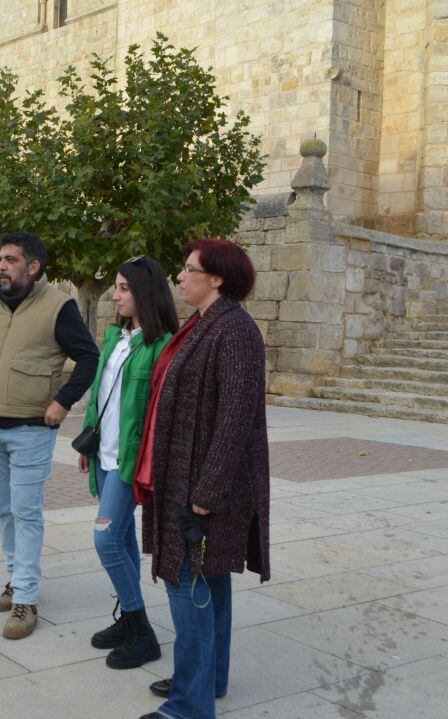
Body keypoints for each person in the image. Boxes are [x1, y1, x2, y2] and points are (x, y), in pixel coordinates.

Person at [135, 238, 270, 719]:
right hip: (185, 479)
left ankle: (189, 706)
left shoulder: (233, 332)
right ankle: (206, 679)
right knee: (207, 583)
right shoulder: (202, 325)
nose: (181, 277)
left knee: (186, 584)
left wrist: (204, 496)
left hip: (201, 490)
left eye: (190, 269)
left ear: (217, 278)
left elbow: (235, 420)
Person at [0, 232, 99, 640]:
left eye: (10, 259)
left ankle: (26, 598)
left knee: (25, 512)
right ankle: (15, 578)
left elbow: (90, 357)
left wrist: (62, 403)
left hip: (30, 431)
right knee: (3, 511)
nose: (1, 266)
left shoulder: (59, 305)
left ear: (33, 266)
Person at [77, 256, 178, 669]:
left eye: (123, 288)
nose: (115, 295)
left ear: (145, 293)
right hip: (103, 452)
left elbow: (156, 413)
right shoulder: (117, 338)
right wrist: (88, 441)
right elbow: (101, 394)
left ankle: (141, 630)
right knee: (122, 539)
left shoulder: (162, 345)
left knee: (105, 539)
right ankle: (129, 617)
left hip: (127, 460)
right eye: (115, 286)